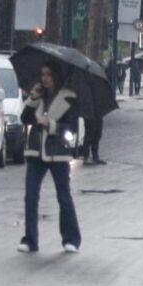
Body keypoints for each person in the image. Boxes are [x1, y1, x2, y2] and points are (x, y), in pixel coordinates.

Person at [20, 63, 84, 254]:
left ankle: (71, 239)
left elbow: (72, 128)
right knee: (31, 196)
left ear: (56, 76)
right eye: (42, 74)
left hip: (58, 152)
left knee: (63, 196)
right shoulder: (38, 96)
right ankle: (30, 240)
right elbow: (25, 118)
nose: (45, 78)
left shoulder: (68, 98)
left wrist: (51, 124)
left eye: (48, 74)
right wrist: (33, 98)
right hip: (35, 151)